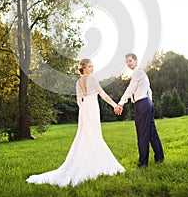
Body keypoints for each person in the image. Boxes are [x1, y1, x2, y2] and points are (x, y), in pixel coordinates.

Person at [26, 58, 125, 187]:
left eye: (92, 66)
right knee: (93, 135)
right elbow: (103, 94)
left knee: (85, 136)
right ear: (83, 68)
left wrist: (83, 109)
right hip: (92, 109)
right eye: (89, 66)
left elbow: (79, 100)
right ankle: (96, 162)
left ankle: (88, 160)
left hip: (84, 110)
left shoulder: (78, 82)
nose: (92, 68)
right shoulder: (93, 80)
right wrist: (114, 105)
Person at [114, 53, 164, 168]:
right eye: (126, 62)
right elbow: (149, 90)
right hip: (147, 103)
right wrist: (149, 103)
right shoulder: (142, 73)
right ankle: (159, 158)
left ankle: (143, 163)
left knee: (142, 134)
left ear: (136, 61)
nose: (128, 64)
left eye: (130, 61)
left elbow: (130, 89)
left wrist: (121, 103)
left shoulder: (138, 72)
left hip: (142, 104)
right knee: (152, 132)